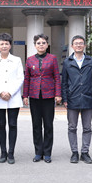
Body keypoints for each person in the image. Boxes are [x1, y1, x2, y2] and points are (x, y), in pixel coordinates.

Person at [23, 34, 61, 163]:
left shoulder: (52, 58)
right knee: (36, 125)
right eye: (38, 43)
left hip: (48, 96)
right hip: (34, 96)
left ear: (47, 45)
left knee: (48, 125)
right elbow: (27, 79)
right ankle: (38, 152)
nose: (41, 45)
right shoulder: (30, 60)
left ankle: (48, 152)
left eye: (43, 43)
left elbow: (57, 77)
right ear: (35, 45)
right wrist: (25, 95)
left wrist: (58, 94)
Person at [61, 35, 92, 164]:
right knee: (72, 127)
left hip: (88, 98)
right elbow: (64, 82)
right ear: (72, 46)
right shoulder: (67, 62)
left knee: (87, 127)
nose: (78, 45)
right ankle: (74, 152)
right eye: (76, 43)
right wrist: (65, 98)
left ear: (84, 46)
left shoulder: (91, 61)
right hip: (72, 98)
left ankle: (85, 152)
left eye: (81, 43)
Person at [0, 32, 24, 164]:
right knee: (1, 125)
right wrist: (0, 93)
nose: (4, 46)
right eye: (2, 44)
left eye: (6, 44)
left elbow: (20, 78)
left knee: (13, 124)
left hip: (13, 97)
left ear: (10, 45)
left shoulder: (17, 60)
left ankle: (11, 153)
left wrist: (10, 92)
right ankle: (3, 152)